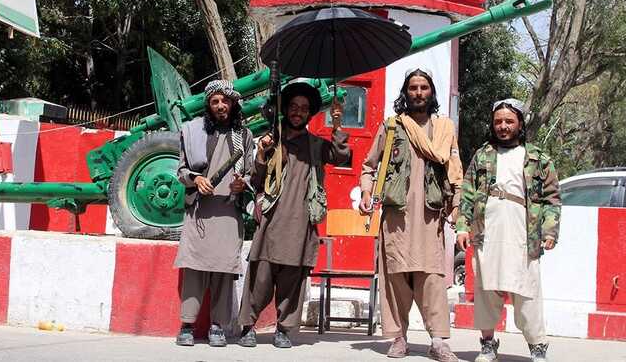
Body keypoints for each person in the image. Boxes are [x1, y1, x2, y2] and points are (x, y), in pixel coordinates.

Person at [359, 67, 463, 361]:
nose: (418, 93)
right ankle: (398, 338)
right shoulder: (392, 126)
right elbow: (369, 166)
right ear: (405, 93)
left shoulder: (444, 128)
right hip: (396, 216)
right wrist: (367, 192)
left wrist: (456, 205)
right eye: (413, 88)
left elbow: (455, 170)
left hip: (431, 216)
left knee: (432, 277)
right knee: (395, 276)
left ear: (432, 93)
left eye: (424, 88)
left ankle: (439, 341)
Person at [237, 81, 350, 348]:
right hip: (271, 221)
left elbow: (340, 156)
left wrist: (336, 125)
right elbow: (257, 177)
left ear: (309, 114)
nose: (298, 112)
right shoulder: (272, 139)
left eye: (304, 108)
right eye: (294, 107)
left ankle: (284, 329)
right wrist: (263, 153)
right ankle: (247, 326)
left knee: (292, 278)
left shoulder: (315, 145)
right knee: (260, 276)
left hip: (301, 222)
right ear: (286, 110)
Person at [456, 98, 560, 362]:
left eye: (509, 121)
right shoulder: (482, 155)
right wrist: (462, 227)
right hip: (487, 229)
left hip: (524, 231)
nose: (503, 126)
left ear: (520, 123)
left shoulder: (537, 158)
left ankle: (538, 347)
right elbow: (467, 194)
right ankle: (488, 344)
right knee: (486, 289)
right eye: (498, 121)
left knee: (527, 290)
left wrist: (550, 231)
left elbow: (551, 198)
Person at [174, 80, 254, 347]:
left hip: (228, 211)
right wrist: (197, 180)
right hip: (200, 210)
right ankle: (187, 325)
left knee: (223, 271)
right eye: (215, 101)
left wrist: (243, 183)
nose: (221, 106)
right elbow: (181, 170)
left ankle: (217, 326)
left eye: (225, 101)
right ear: (209, 105)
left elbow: (252, 173)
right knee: (194, 269)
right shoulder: (193, 131)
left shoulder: (244, 135)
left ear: (233, 104)